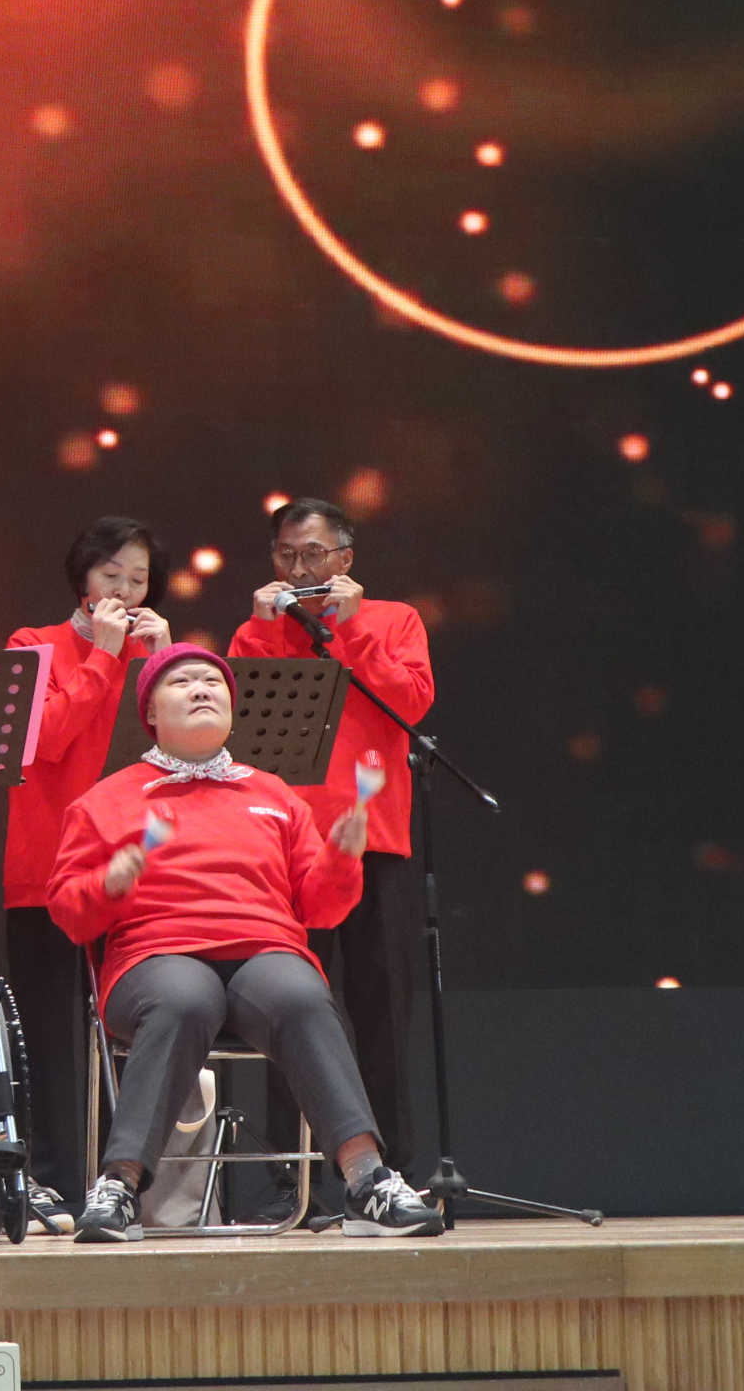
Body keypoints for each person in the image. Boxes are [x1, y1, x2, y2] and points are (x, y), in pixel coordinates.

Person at [47, 643, 442, 1241]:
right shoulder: (107, 799)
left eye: (214, 681)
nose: (202, 689)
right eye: (182, 681)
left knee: (301, 995)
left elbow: (321, 908)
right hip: (156, 957)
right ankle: (120, 1186)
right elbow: (69, 914)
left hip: (263, 950)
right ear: (149, 711)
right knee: (184, 998)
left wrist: (342, 857)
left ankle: (367, 1180)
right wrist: (109, 883)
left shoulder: (275, 794)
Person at [228, 497, 433, 1195]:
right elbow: (236, 723)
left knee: (382, 1010)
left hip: (375, 838)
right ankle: (297, 1180)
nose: (298, 568)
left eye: (313, 554)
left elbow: (411, 703)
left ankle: (393, 1172)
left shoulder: (394, 620)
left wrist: (353, 627)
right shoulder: (259, 630)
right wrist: (264, 629)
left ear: (345, 559)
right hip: (288, 845)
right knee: (289, 1009)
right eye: (286, 555)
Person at [2, 516, 172, 1236]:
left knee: (139, 1026)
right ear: (83, 579)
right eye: (112, 576)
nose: (126, 591)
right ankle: (53, 1180)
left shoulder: (152, 654)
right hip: (48, 867)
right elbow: (43, 739)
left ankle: (128, 1185)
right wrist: (103, 655)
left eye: (138, 580)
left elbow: (188, 745)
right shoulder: (31, 644)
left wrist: (165, 661)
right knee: (51, 1034)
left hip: (139, 871)